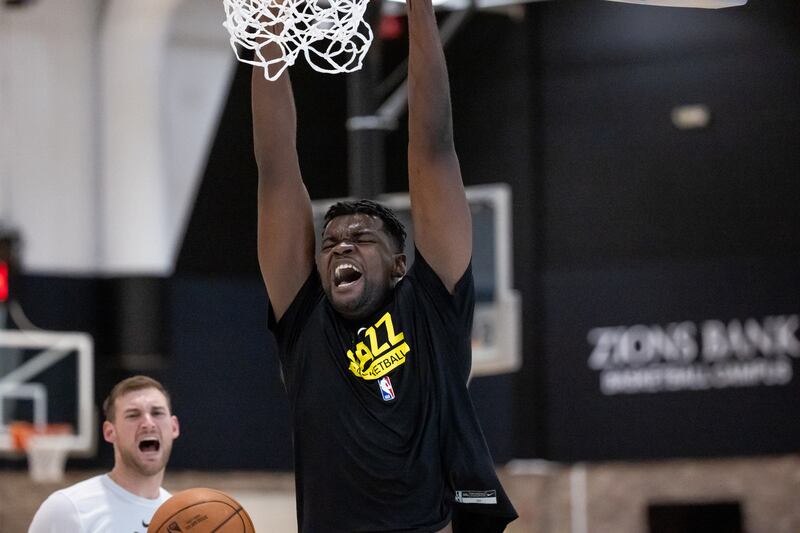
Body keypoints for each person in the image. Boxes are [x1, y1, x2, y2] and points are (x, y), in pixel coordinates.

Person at [252, 0, 518, 530]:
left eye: (361, 238)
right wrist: (270, 32)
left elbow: (434, 147)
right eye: (329, 242)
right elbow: (277, 167)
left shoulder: (430, 308)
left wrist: (420, 8)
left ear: (400, 265)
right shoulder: (305, 322)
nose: (340, 247)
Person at [28, 375, 180, 533]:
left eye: (157, 413)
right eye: (133, 415)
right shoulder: (68, 509)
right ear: (109, 432)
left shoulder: (183, 517)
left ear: (174, 427)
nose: (148, 423)